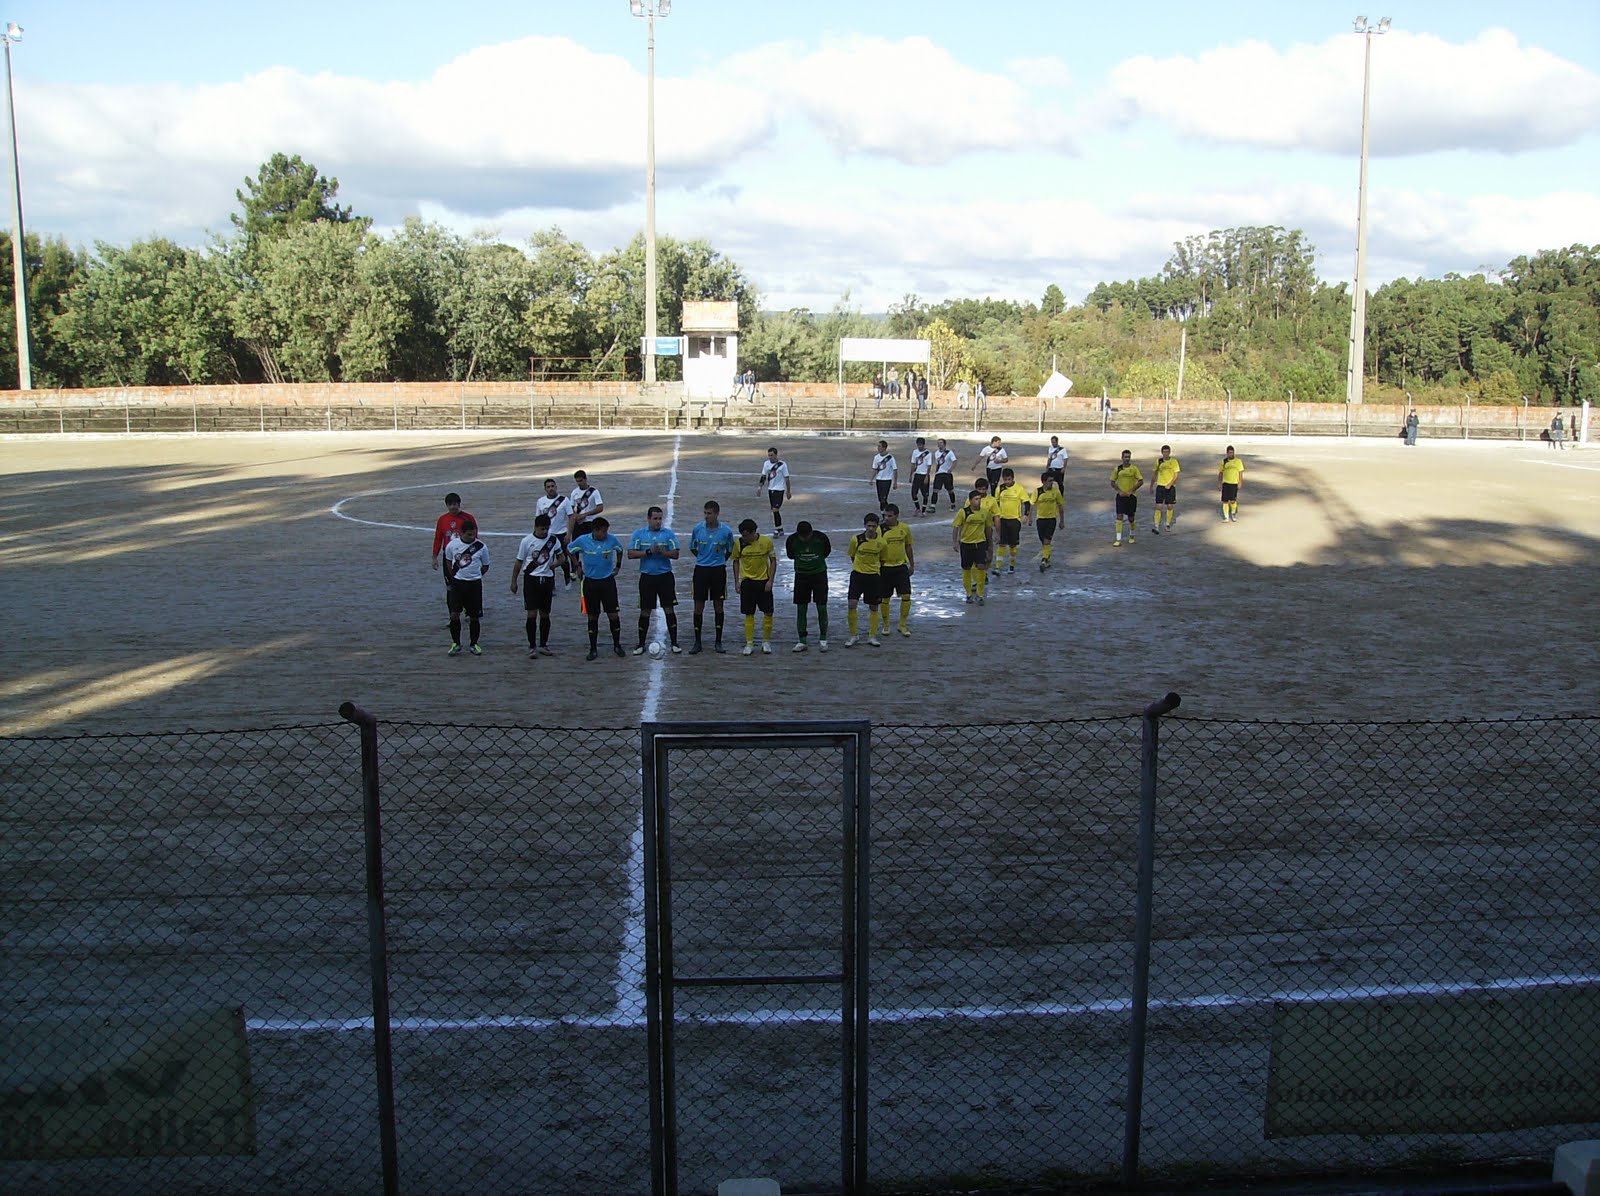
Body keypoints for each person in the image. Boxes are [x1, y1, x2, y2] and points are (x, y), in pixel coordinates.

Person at [568, 515, 626, 660]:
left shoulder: (612, 540)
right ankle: (593, 649)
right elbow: (570, 549)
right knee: (593, 616)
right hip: (590, 583)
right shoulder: (583, 540)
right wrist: (577, 566)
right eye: (603, 531)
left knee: (613, 615)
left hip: (607, 582)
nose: (606, 534)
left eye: (606, 531)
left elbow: (620, 550)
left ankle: (617, 645)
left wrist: (618, 566)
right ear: (595, 530)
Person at [627, 505, 683, 655]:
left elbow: (676, 554)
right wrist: (648, 551)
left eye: (660, 518)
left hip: (665, 577)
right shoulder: (639, 534)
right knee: (645, 611)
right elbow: (631, 554)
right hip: (647, 577)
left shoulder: (668, 534)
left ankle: (675, 642)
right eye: (655, 518)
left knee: (669, 609)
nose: (658, 521)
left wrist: (663, 552)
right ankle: (640, 644)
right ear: (648, 519)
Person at [511, 513, 565, 658]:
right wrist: (514, 581)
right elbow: (519, 562)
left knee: (545, 614)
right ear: (535, 527)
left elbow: (562, 558)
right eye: (542, 529)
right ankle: (532, 646)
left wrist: (555, 564)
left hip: (547, 580)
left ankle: (543, 644)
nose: (544, 532)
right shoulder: (526, 541)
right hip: (531, 580)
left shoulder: (553, 540)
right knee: (531, 613)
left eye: (547, 529)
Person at [687, 500, 736, 654]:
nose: (706, 516)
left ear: (717, 514)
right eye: (705, 513)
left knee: (718, 606)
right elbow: (693, 548)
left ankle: (718, 641)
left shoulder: (726, 531)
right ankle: (697, 642)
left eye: (709, 513)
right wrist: (703, 559)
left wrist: (719, 561)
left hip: (718, 571)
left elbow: (730, 550)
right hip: (701, 570)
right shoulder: (698, 529)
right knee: (698, 606)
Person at [442, 517, 489, 656]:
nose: (472, 537)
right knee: (454, 614)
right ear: (462, 533)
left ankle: (474, 643)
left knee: (474, 616)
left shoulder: (481, 547)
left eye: (473, 534)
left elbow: (485, 566)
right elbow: (448, 561)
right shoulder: (452, 545)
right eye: (469, 534)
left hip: (474, 584)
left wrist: (475, 575)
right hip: (458, 584)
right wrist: (454, 576)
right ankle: (456, 643)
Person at [732, 517, 777, 655]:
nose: (744, 538)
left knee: (768, 612)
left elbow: (773, 561)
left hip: (763, 582)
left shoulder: (766, 542)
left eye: (746, 535)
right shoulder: (739, 543)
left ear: (753, 532)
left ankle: (766, 641)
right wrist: (737, 582)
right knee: (748, 613)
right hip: (747, 583)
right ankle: (749, 643)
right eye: (742, 535)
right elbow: (735, 561)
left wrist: (770, 581)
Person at [785, 520, 832, 652]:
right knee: (801, 608)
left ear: (811, 533)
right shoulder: (792, 540)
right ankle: (802, 640)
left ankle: (823, 639)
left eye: (807, 536)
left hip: (819, 575)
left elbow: (826, 552)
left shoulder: (821, 538)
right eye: (802, 537)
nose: (805, 539)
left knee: (821, 606)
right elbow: (790, 555)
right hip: (801, 576)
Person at [845, 512, 886, 647]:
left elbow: (883, 559)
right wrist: (860, 567)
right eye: (869, 526)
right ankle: (853, 635)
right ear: (864, 525)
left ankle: (872, 636)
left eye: (873, 526)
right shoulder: (856, 540)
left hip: (874, 577)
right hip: (857, 575)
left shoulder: (881, 543)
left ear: (877, 526)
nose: (871, 529)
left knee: (874, 606)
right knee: (852, 604)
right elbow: (852, 555)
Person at [431, 492, 475, 614]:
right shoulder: (442, 520)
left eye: (455, 504)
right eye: (450, 505)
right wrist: (434, 557)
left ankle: (470, 610)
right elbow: (438, 538)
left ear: (459, 504)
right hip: (449, 557)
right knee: (450, 586)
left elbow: (474, 538)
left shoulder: (468, 518)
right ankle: (453, 614)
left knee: (467, 583)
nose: (452, 507)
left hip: (465, 556)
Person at [879, 503, 915, 637]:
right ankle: (886, 625)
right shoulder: (880, 529)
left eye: (890, 516)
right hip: (885, 568)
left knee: (906, 596)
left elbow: (908, 546)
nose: (886, 518)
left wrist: (912, 564)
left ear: (897, 515)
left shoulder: (904, 528)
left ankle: (903, 624)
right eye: (885, 516)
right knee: (885, 597)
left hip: (901, 567)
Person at [952, 490, 993, 605]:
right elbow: (956, 527)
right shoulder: (963, 512)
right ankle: (969, 594)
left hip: (980, 543)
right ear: (970, 501)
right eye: (976, 499)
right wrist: (955, 542)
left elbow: (988, 529)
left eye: (980, 499)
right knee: (966, 568)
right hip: (966, 544)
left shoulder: (985, 512)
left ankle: (980, 595)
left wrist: (990, 545)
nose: (978, 501)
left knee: (981, 566)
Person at [534, 478, 574, 585]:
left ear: (556, 487)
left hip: (561, 534)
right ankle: (551, 584)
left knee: (563, 559)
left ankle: (567, 577)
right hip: (546, 536)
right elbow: (537, 520)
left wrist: (569, 534)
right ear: (545, 489)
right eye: (548, 487)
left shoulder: (564, 500)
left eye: (552, 486)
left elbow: (571, 517)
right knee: (548, 560)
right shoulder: (540, 501)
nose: (551, 488)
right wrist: (536, 536)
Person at [992, 467, 1031, 573]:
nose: (1007, 482)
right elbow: (995, 503)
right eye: (1005, 479)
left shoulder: (1019, 489)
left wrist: (1026, 515)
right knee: (1001, 543)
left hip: (1014, 520)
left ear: (1013, 478)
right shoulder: (1000, 488)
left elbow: (1027, 502)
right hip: (1003, 520)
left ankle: (1012, 565)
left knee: (1013, 545)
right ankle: (998, 567)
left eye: (1009, 479)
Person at [1032, 470, 1065, 572]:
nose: (1052, 483)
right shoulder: (1037, 491)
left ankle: (1044, 560)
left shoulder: (1056, 492)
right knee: (1043, 541)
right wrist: (1029, 517)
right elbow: (1032, 504)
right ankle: (1047, 557)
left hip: (1051, 519)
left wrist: (1062, 520)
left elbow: (1060, 506)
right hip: (1040, 519)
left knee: (1047, 540)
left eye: (1052, 481)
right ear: (1043, 482)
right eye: (1050, 481)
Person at [1110, 449, 1143, 547]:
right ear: (1122, 458)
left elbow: (1141, 481)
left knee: (1131, 518)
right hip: (1121, 496)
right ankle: (1118, 539)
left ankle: (1132, 535)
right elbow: (1112, 482)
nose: (1127, 459)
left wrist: (1131, 491)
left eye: (1128, 457)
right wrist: (1119, 491)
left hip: (1131, 497)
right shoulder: (1118, 469)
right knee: (1119, 516)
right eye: (1125, 457)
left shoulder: (1134, 469)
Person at [757, 446, 792, 534]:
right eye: (769, 455)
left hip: (779, 490)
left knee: (775, 509)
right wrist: (759, 487)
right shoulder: (766, 464)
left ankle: (777, 529)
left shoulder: (782, 465)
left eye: (772, 455)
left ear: (776, 455)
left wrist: (788, 491)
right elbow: (763, 476)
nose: (770, 457)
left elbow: (787, 478)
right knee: (773, 510)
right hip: (770, 489)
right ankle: (780, 528)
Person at [1150, 444, 1180, 534]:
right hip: (1160, 486)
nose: (1166, 454)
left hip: (1170, 487)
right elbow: (1154, 474)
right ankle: (1156, 526)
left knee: (1170, 506)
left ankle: (1167, 524)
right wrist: (1151, 485)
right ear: (1162, 452)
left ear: (1169, 452)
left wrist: (1170, 484)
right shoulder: (1158, 461)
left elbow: (1176, 474)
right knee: (1158, 506)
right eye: (1164, 452)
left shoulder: (1174, 461)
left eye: (1167, 452)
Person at [568, 470, 605, 540]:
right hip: (578, 524)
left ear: (585, 479)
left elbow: (600, 507)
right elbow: (571, 509)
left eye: (581, 481)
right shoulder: (574, 492)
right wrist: (575, 516)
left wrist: (584, 515)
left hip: (590, 522)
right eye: (577, 481)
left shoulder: (594, 492)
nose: (579, 483)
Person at [1218, 445, 1245, 521]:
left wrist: (1240, 482)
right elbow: (1221, 473)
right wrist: (1219, 483)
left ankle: (1233, 514)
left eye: (1232, 453)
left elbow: (1240, 472)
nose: (1231, 454)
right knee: (1225, 500)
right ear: (1227, 453)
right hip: (1226, 483)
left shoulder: (1238, 461)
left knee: (1233, 500)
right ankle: (1226, 517)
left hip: (1234, 483)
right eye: (1230, 453)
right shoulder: (1224, 461)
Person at [908, 437, 934, 515]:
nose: (920, 446)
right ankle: (917, 508)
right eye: (918, 445)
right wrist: (911, 475)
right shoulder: (915, 452)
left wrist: (927, 476)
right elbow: (913, 464)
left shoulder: (928, 453)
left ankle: (923, 510)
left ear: (923, 445)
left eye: (921, 445)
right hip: (917, 475)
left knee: (925, 494)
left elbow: (929, 466)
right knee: (913, 493)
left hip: (924, 475)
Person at [871, 440, 898, 512]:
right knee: (880, 499)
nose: (878, 448)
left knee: (883, 499)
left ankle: (884, 514)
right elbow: (875, 469)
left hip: (887, 480)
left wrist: (895, 482)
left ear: (884, 448)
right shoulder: (876, 457)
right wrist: (872, 479)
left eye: (879, 446)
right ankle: (887, 511)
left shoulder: (891, 458)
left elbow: (895, 470)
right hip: (879, 480)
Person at [932, 439, 959, 510]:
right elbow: (937, 463)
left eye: (941, 443)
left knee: (950, 490)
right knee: (935, 490)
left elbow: (954, 461)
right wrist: (936, 471)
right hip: (939, 474)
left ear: (944, 444)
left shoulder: (949, 453)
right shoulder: (936, 453)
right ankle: (933, 505)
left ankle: (953, 504)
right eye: (938, 443)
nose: (939, 444)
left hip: (947, 474)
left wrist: (951, 469)